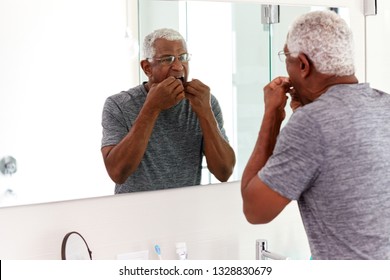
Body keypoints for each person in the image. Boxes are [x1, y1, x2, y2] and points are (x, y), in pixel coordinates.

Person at [241, 10, 390, 259]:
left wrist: (272, 116)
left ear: (303, 65)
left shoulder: (311, 123)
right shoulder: (385, 104)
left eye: (286, 58)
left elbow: (255, 210)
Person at [101, 28, 235, 193]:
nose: (178, 67)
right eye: (167, 59)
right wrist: (151, 108)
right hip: (134, 214)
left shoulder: (204, 102)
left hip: (186, 213)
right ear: (147, 68)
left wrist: (205, 112)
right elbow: (117, 173)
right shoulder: (118, 105)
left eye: (183, 57)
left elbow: (224, 172)